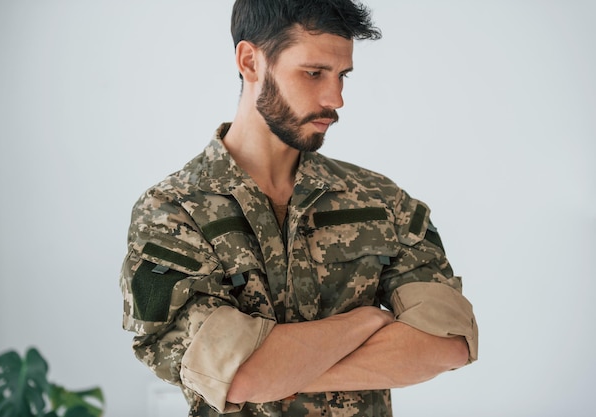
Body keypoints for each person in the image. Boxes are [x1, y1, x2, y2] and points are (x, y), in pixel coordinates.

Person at [120, 1, 478, 416]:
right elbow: (240, 376)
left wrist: (274, 374)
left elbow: (448, 343)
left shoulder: (382, 201)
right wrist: (366, 321)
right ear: (250, 61)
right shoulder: (172, 212)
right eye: (314, 73)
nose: (336, 98)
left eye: (342, 75)